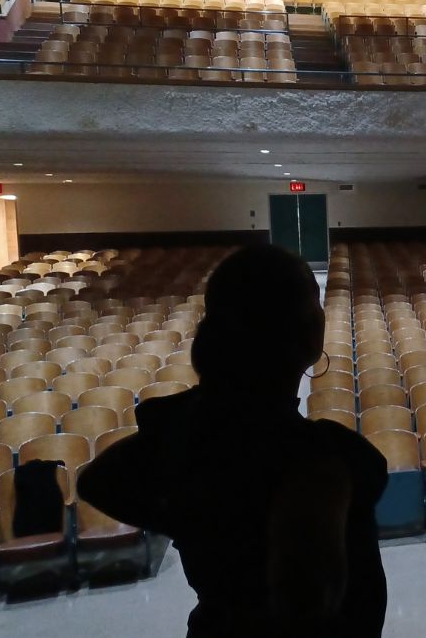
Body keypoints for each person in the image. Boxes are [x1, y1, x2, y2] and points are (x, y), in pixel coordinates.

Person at [78, 245, 389, 637]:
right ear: (308, 332)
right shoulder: (319, 457)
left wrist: (193, 518)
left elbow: (97, 481)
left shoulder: (189, 432)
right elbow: (307, 603)